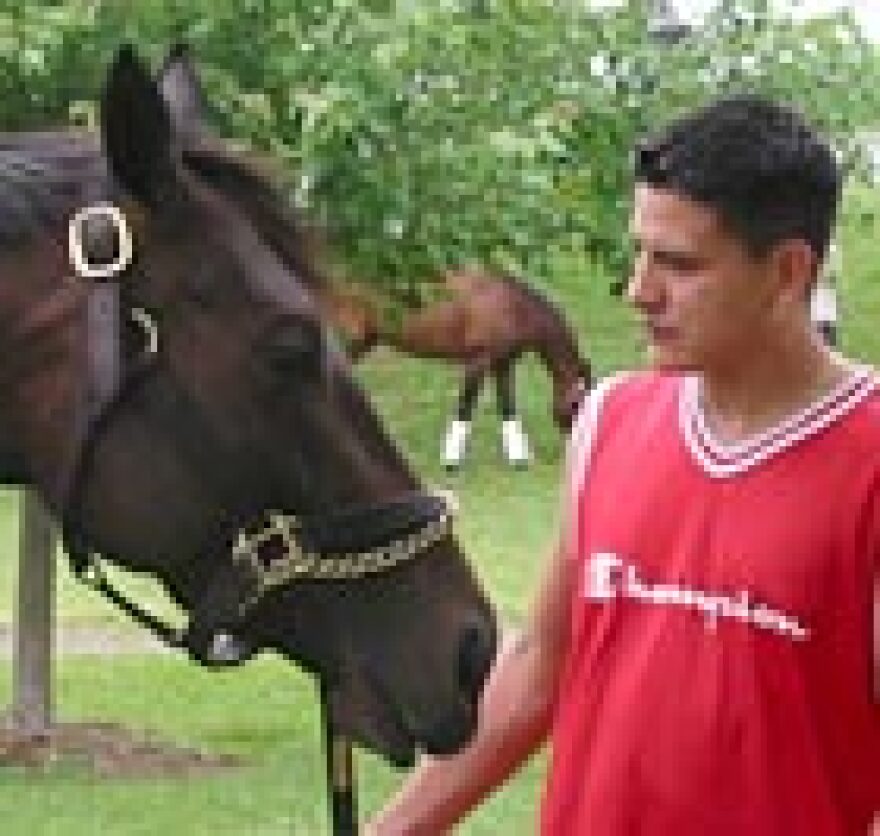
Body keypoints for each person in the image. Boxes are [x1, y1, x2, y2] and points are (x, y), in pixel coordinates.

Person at [368, 95, 880, 835]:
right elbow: (544, 662)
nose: (638, 291)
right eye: (638, 252)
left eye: (677, 264)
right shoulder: (610, 422)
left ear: (788, 272)